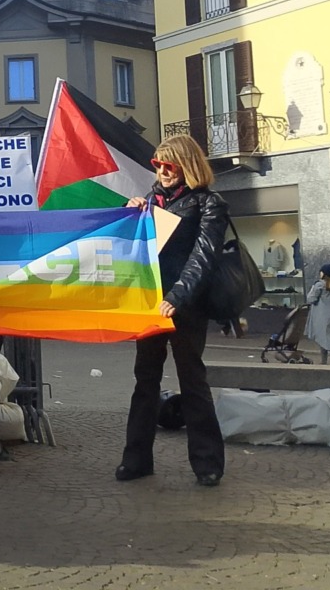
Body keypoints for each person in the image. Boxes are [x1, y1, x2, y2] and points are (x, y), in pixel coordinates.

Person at [116, 134, 227, 487]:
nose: (163, 171)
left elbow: (204, 256)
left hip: (187, 305)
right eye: (158, 164)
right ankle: (135, 460)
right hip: (151, 302)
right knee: (145, 380)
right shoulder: (151, 201)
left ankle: (207, 463)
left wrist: (178, 296)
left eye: (170, 165)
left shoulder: (209, 203)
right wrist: (130, 213)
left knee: (192, 380)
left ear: (187, 166)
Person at [305, 264, 330, 366]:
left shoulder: (320, 285)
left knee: (327, 339)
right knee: (324, 338)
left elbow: (310, 299)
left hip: (321, 316)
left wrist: (313, 287)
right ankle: (323, 361)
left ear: (323, 273)